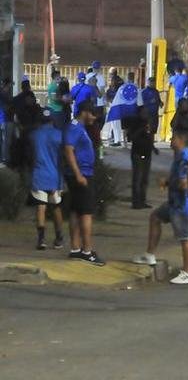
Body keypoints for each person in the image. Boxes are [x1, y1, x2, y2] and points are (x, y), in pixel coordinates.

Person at [133, 125, 188, 284]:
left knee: (186, 239)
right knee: (155, 217)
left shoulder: (185, 158)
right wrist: (167, 182)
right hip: (174, 203)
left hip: (182, 205)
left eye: (173, 137)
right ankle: (149, 254)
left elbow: (184, 183)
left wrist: (170, 183)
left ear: (180, 140)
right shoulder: (179, 156)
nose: (170, 140)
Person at [62, 102, 103, 264]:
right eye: (92, 114)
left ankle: (75, 248)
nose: (94, 118)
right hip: (81, 174)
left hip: (79, 173)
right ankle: (87, 251)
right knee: (86, 212)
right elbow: (68, 150)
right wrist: (78, 174)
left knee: (76, 211)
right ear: (85, 112)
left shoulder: (78, 127)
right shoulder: (75, 127)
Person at [30, 109, 65, 251]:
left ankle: (41, 239)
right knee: (56, 207)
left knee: (41, 206)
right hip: (55, 176)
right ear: (52, 120)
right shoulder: (59, 135)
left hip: (39, 174)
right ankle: (59, 237)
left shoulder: (34, 135)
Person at [129, 115, 154, 209]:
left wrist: (153, 148)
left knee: (145, 179)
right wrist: (140, 130)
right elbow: (131, 137)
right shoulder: (135, 123)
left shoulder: (149, 124)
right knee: (137, 178)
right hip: (137, 153)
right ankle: (135, 202)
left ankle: (142, 200)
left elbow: (150, 137)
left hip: (147, 153)